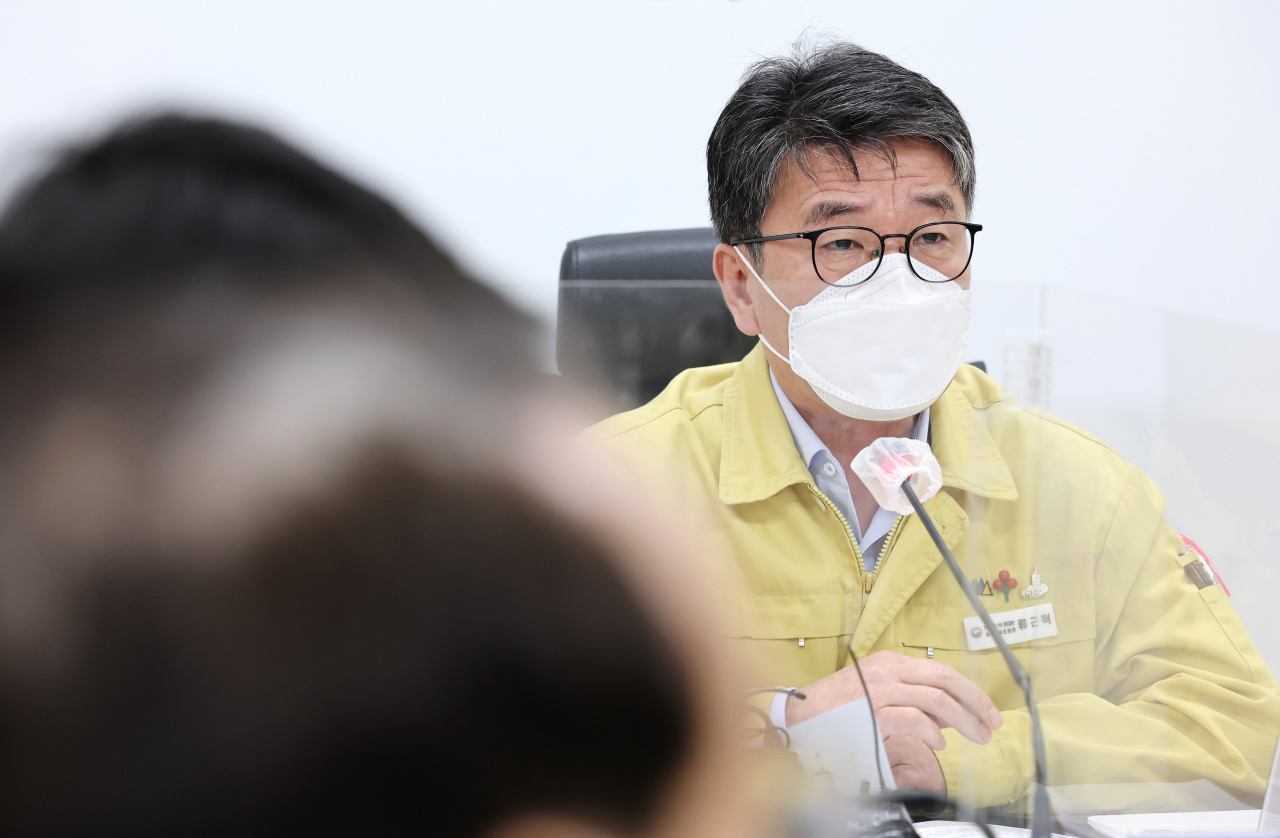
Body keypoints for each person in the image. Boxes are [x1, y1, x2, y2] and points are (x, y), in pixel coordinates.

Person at [592, 40, 1280, 813]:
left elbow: (1236, 728)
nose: (899, 280)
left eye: (931, 238)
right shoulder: (614, 490)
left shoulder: (1077, 485)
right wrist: (789, 726)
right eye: (842, 243)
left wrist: (970, 757)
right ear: (741, 288)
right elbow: (511, 742)